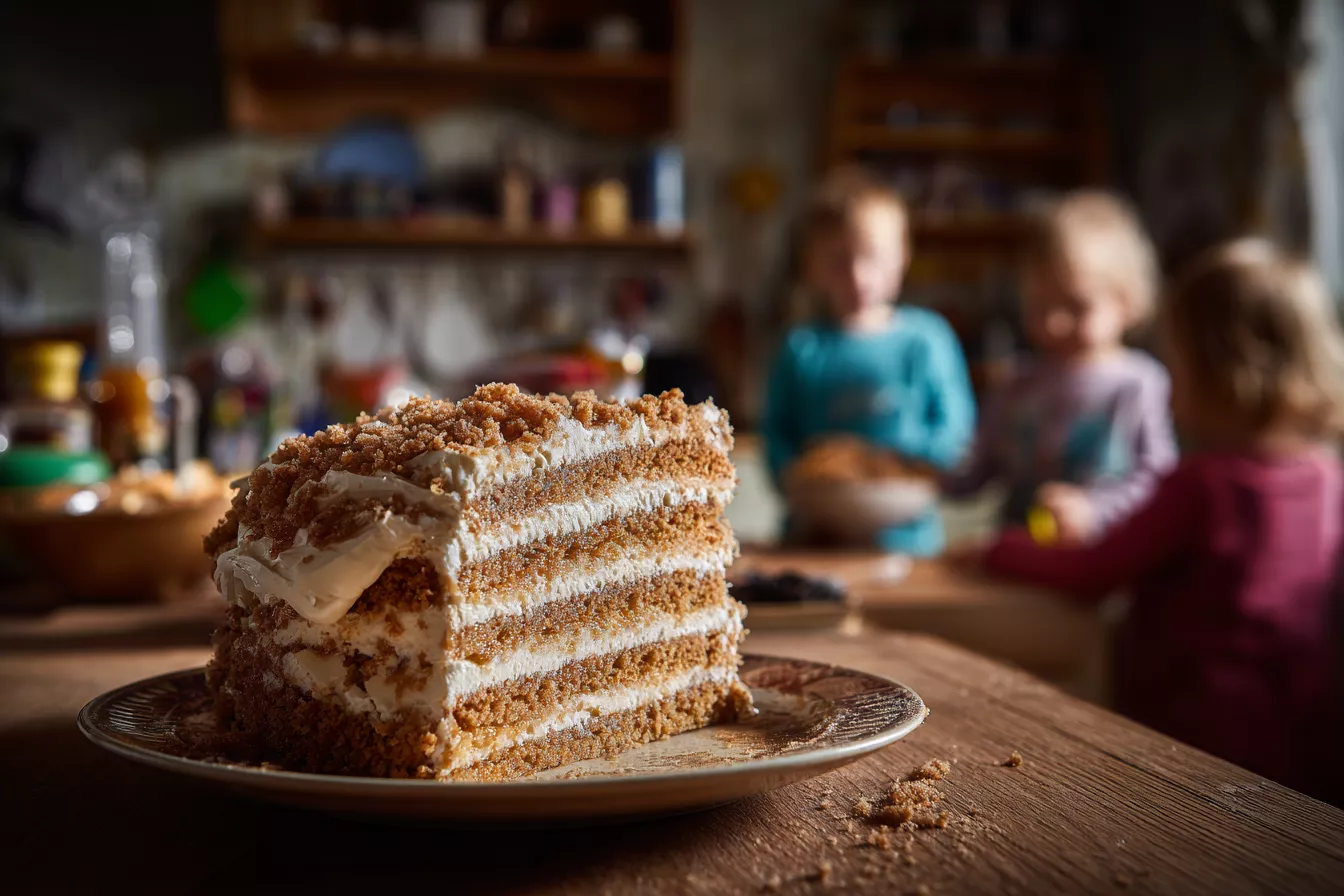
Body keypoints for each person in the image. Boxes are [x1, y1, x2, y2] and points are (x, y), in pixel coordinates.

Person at [978, 239, 1344, 798]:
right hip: (1303, 730)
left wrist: (998, 550)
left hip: (1193, 731)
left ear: (1215, 368)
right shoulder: (1326, 476)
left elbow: (1092, 573)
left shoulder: (1202, 485)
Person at [762, 166, 975, 555]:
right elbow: (776, 435)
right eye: (839, 261)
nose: (858, 277)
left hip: (907, 542)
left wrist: (890, 460)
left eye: (872, 258)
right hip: (815, 538)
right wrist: (798, 476)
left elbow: (956, 430)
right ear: (812, 266)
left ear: (902, 257)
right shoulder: (802, 346)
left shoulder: (926, 339)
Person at [944, 191, 1177, 541]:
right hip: (1021, 554)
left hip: (1104, 557)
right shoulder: (1016, 383)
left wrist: (1095, 510)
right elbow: (976, 470)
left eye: (1076, 306)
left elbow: (1158, 481)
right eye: (1039, 305)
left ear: (1127, 300)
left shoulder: (1139, 383)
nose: (1054, 322)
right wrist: (923, 479)